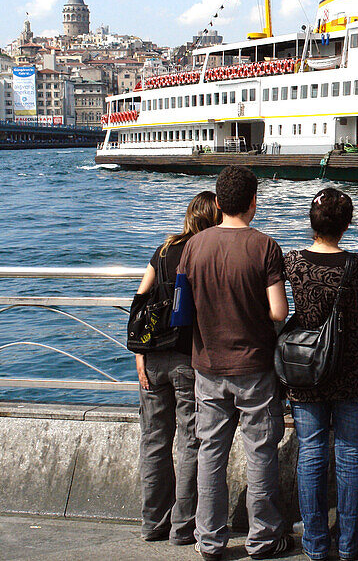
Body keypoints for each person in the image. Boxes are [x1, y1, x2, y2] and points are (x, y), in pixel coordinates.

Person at [178, 165, 292, 561]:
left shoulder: (194, 246)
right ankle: (263, 538)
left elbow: (182, 310)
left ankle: (208, 540)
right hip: (255, 365)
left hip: (207, 364)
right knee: (260, 452)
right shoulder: (264, 246)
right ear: (252, 202)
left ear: (220, 201)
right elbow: (278, 311)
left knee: (211, 451)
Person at [283, 188, 358, 561]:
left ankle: (316, 545)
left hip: (306, 367)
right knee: (351, 455)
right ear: (347, 224)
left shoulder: (292, 262)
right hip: (352, 364)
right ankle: (350, 546)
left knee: (311, 452)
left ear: (311, 222)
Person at [133, 190, 220, 545]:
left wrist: (139, 354)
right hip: (187, 359)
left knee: (154, 441)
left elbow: (139, 302)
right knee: (190, 441)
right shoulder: (205, 252)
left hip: (152, 358)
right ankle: (183, 527)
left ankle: (152, 523)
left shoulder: (165, 249)